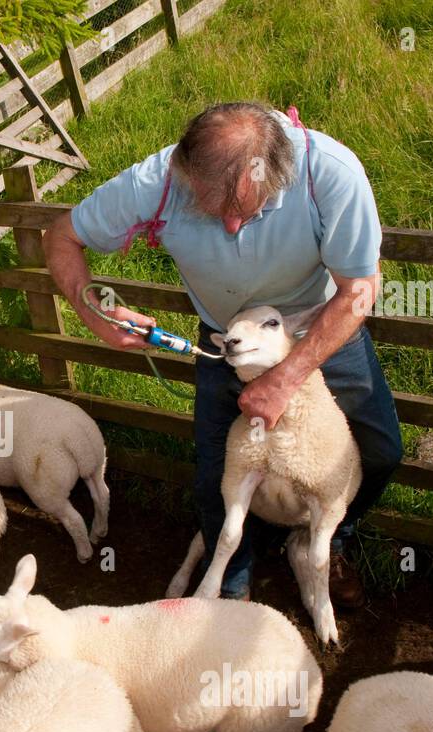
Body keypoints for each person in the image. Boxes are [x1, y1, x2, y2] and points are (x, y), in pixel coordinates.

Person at [43, 101, 403, 605]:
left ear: (280, 172)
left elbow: (359, 291)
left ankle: (324, 541)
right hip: (227, 337)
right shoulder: (156, 181)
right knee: (216, 469)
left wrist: (285, 378)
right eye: (212, 211)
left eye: (246, 210)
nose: (231, 227)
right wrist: (95, 311)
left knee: (382, 452)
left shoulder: (330, 174)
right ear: (186, 171)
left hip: (319, 327)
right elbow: (62, 236)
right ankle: (232, 574)